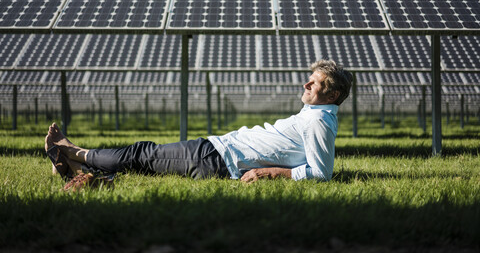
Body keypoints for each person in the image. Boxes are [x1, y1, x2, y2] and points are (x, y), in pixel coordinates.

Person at [45, 60, 353, 189]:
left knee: (142, 154)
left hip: (217, 158)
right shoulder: (313, 115)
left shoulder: (320, 121)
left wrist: (268, 172)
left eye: (315, 82)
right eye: (309, 79)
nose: (306, 84)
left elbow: (321, 173)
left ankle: (74, 153)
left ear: (333, 93)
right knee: (145, 163)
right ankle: (81, 174)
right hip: (218, 152)